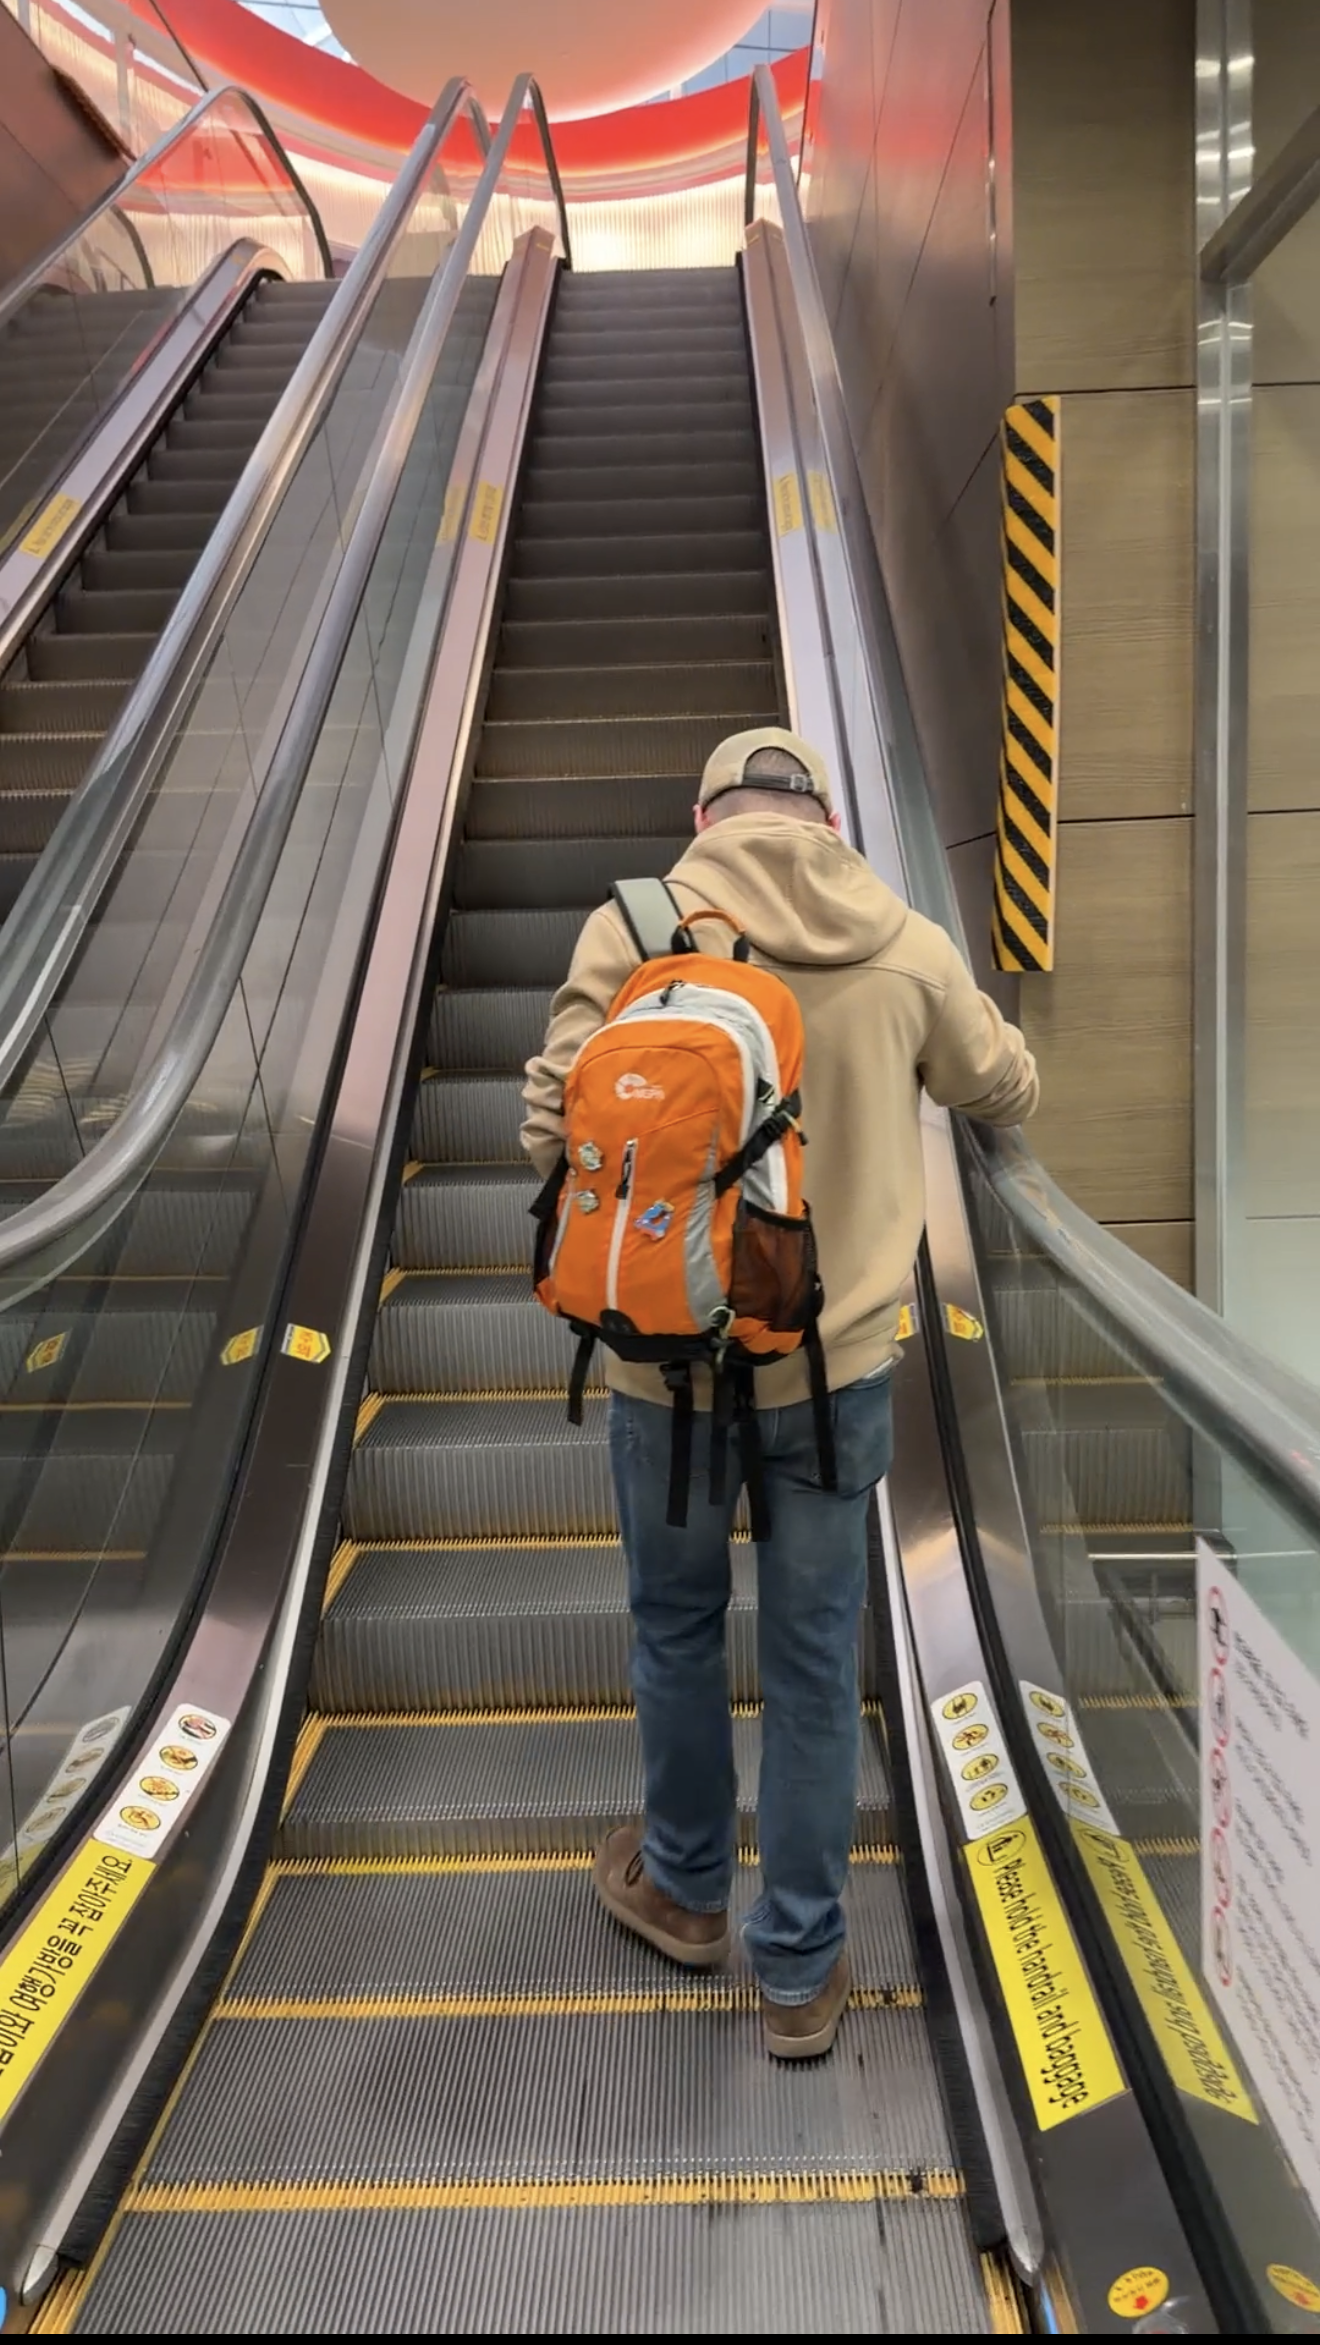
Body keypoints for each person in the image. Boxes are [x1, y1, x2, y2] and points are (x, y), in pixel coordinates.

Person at [521, 728, 1039, 2058]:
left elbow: (551, 1127)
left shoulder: (633, 929)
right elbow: (1004, 1086)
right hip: (833, 1369)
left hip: (664, 1370)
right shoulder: (907, 943)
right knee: (813, 1662)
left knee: (675, 1630)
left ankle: (687, 1890)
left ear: (705, 818)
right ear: (829, 824)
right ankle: (800, 1967)